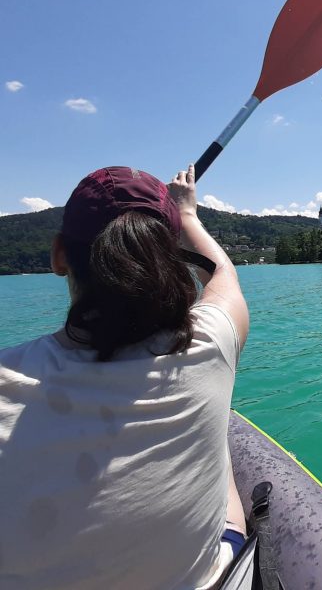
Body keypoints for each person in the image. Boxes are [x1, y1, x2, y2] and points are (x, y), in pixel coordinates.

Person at [0, 164, 250, 589]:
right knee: (222, 438)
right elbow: (223, 276)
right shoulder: (209, 346)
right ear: (167, 257)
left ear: (59, 256)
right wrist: (188, 214)